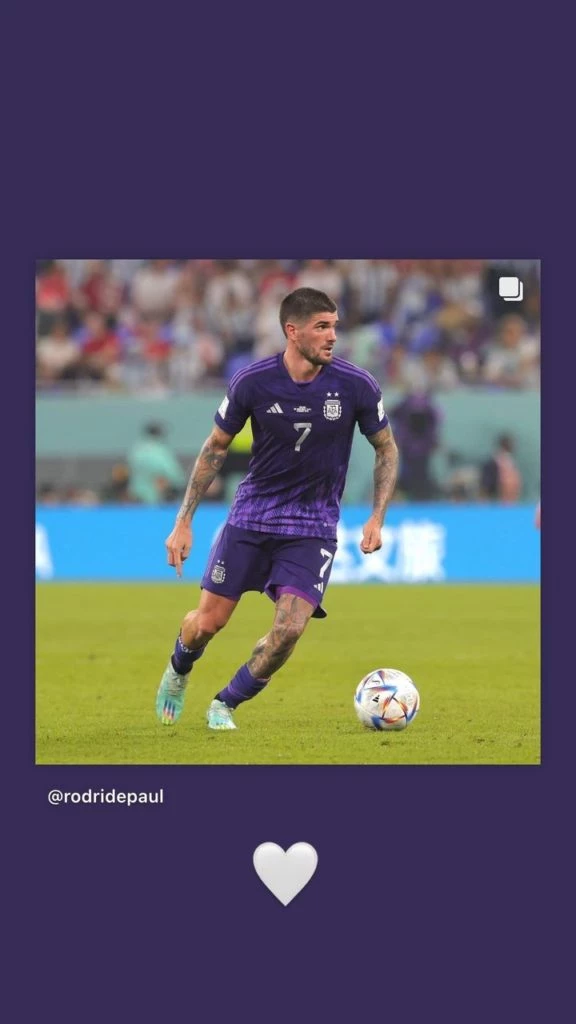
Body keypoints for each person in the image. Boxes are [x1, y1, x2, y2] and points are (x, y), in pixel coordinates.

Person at [156, 287, 399, 731]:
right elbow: (215, 448)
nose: (332, 336)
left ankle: (225, 703)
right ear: (292, 331)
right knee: (207, 623)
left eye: (334, 326)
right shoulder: (252, 381)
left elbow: (386, 448)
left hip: (312, 526)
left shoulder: (356, 385)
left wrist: (377, 516)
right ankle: (179, 666)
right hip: (252, 518)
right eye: (321, 327)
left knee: (289, 630)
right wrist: (183, 521)